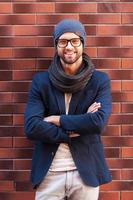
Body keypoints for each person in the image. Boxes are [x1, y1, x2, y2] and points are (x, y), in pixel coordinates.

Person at [24, 19, 112, 200]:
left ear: (82, 43)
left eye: (75, 41)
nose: (69, 47)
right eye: (63, 41)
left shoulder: (98, 81)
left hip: (85, 172)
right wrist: (74, 128)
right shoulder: (41, 82)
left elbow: (97, 122)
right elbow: (32, 127)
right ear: (56, 45)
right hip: (49, 174)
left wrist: (57, 120)